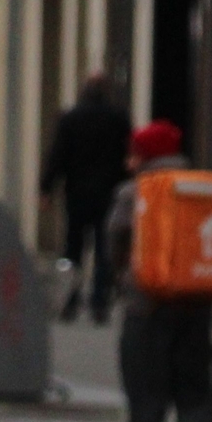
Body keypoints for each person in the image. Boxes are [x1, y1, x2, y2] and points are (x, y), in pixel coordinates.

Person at [109, 120, 212, 422]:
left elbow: (116, 240)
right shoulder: (203, 188)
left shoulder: (135, 192)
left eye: (135, 154)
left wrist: (122, 279)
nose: (129, 162)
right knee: (194, 393)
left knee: (146, 402)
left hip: (147, 308)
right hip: (196, 304)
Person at [41, 73, 131, 323]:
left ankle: (70, 301)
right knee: (104, 249)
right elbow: (127, 157)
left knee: (73, 247)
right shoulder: (118, 119)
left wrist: (46, 188)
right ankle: (99, 303)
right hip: (109, 193)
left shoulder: (71, 119)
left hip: (77, 193)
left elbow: (57, 155)